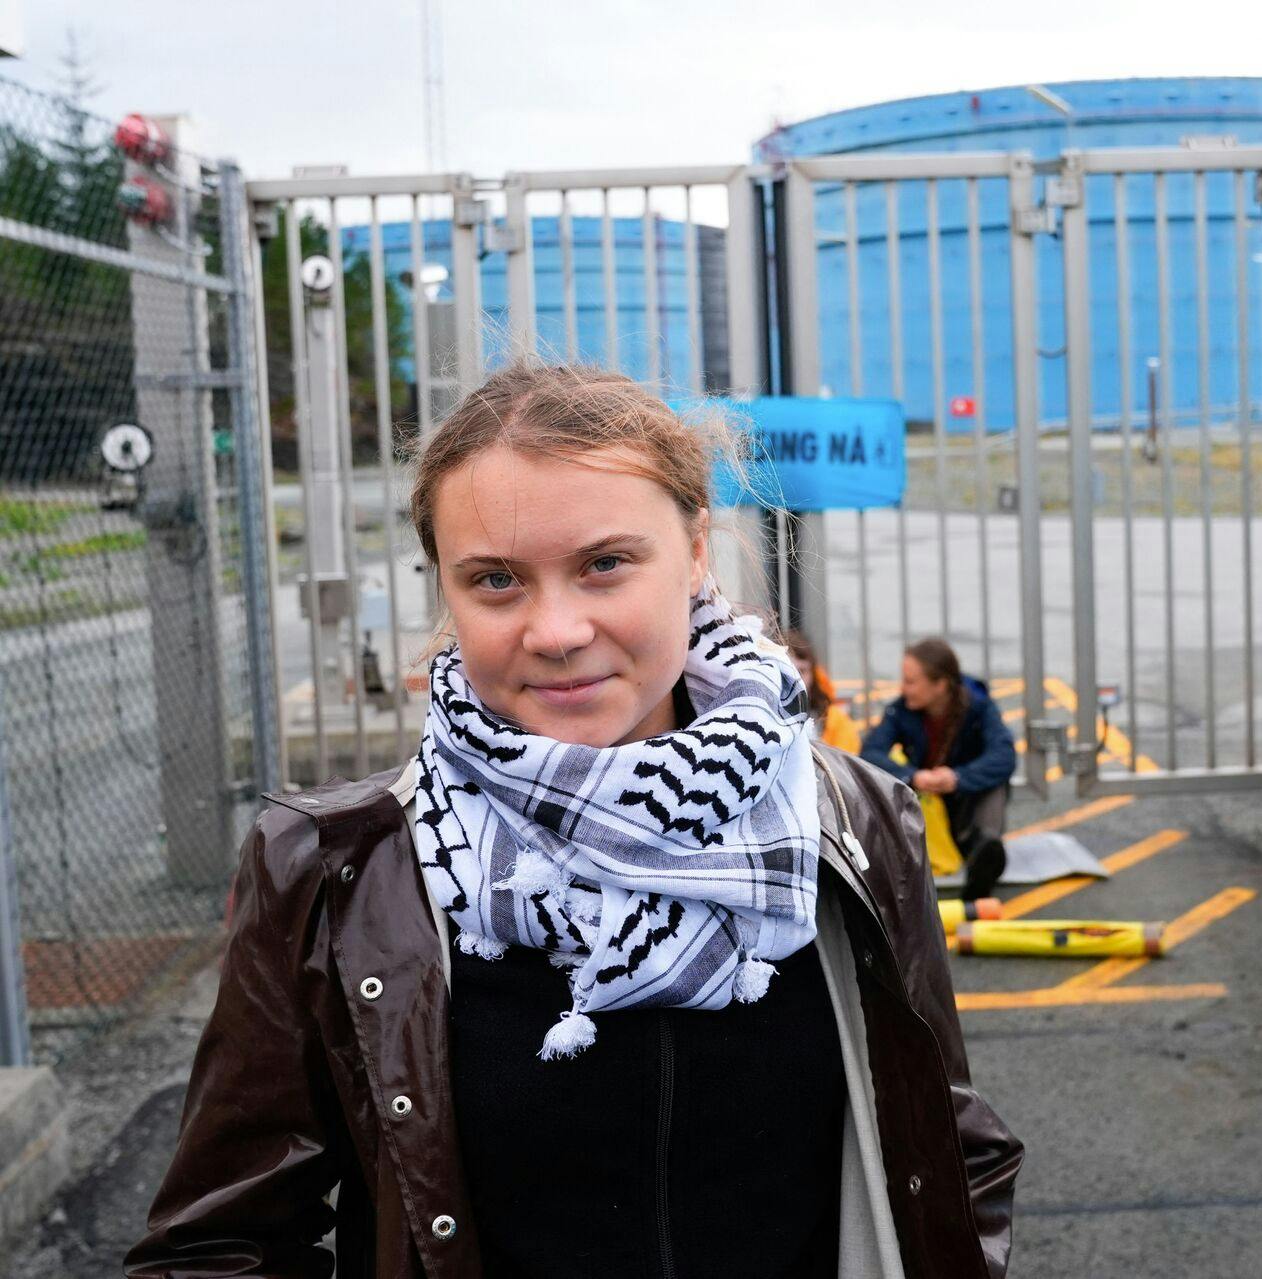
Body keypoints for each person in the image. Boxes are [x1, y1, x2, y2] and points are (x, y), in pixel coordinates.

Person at [125, 365, 1020, 1279]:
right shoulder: (338, 868)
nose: (555, 630)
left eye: (604, 563)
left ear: (697, 546)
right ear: (448, 588)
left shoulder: (856, 822)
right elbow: (217, 1242)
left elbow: (948, 1153)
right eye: (497, 580)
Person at [861, 639, 1015, 900]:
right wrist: (913, 776)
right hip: (923, 805)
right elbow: (870, 752)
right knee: (884, 779)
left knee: (994, 785)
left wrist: (958, 778)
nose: (903, 688)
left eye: (910, 681)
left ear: (940, 685)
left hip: (966, 801)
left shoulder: (979, 706)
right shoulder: (901, 710)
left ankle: (985, 851)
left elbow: (1004, 755)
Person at [785, 628, 861, 754]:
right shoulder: (761, 719)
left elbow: (844, 768)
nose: (795, 680)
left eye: (802, 671)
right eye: (787, 671)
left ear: (813, 674)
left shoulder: (836, 720)